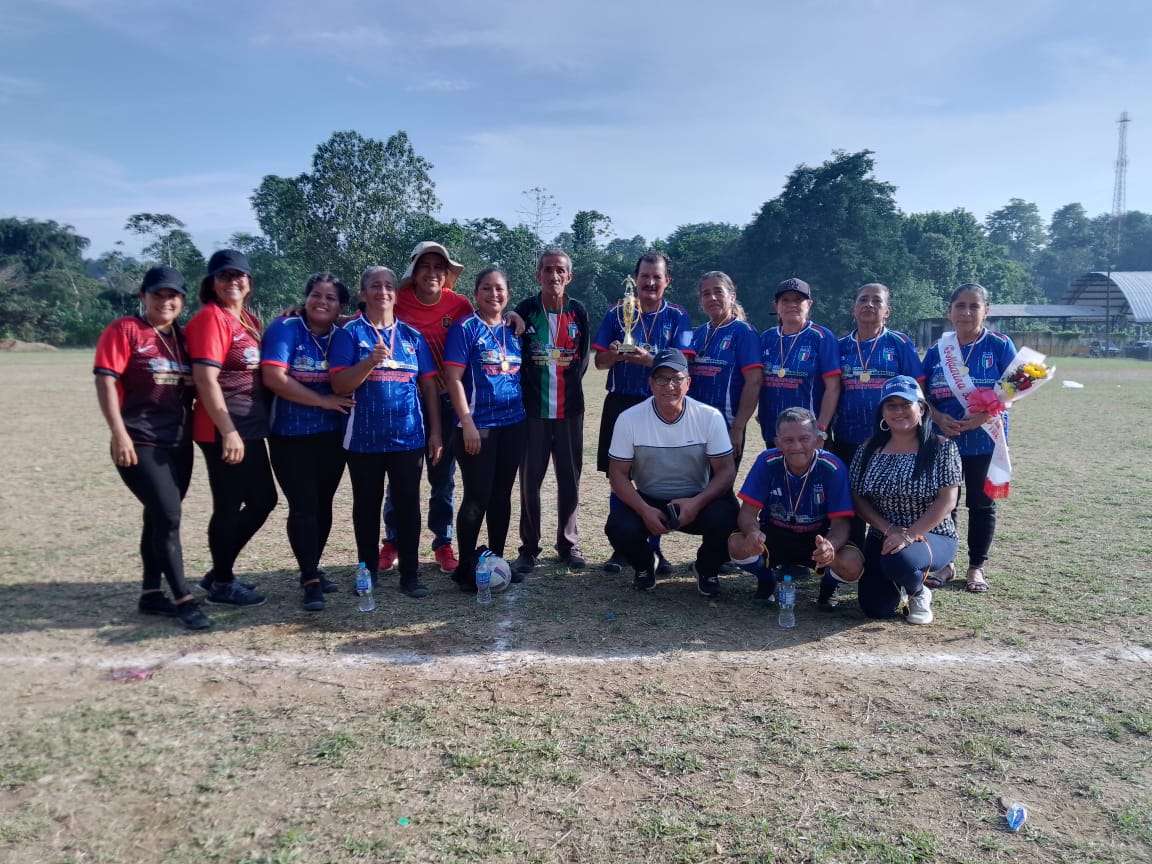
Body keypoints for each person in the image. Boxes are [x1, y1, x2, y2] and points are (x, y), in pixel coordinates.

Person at [93, 266, 209, 630]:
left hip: (178, 441)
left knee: (157, 516)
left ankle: (150, 594)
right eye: (157, 295)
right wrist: (119, 433)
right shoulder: (125, 330)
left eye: (172, 296)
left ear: (183, 301)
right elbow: (105, 381)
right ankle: (184, 599)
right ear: (143, 296)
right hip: (139, 439)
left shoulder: (184, 338)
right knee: (169, 517)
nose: (165, 302)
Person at [330, 266, 442, 598]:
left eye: (389, 286)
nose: (383, 291)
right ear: (363, 294)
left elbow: (429, 387)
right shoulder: (350, 334)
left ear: (396, 294)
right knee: (366, 505)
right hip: (363, 439)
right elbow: (339, 385)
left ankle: (410, 575)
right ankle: (367, 571)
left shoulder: (411, 336)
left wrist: (436, 432)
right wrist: (369, 362)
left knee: (408, 506)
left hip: (408, 438)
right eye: (375, 286)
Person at [604, 348, 738, 596]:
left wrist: (697, 503)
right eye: (661, 379)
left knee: (729, 519)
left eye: (676, 379)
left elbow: (726, 471)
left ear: (688, 383)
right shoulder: (629, 419)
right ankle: (645, 564)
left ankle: (706, 568)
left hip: (697, 498)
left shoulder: (709, 417)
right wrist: (644, 510)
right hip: (649, 498)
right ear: (651, 384)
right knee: (619, 527)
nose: (669, 386)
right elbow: (617, 475)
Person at [592, 252, 694, 574]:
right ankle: (621, 549)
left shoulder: (678, 316)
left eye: (656, 277)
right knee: (618, 476)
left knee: (656, 479)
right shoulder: (617, 312)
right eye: (645, 276)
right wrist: (615, 355)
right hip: (620, 403)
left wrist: (649, 360)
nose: (650, 282)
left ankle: (654, 548)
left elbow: (683, 361)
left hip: (659, 406)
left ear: (667, 281)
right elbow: (599, 362)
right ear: (635, 279)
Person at [186, 249, 277, 607]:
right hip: (223, 428)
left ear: (249, 281)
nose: (232, 282)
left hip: (248, 427)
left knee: (261, 500)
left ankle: (218, 571)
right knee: (230, 504)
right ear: (212, 283)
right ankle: (222, 582)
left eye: (239, 275)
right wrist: (227, 431)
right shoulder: (211, 318)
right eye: (224, 276)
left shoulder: (246, 319)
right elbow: (205, 379)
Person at [261, 273, 356, 611]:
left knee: (323, 503)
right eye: (316, 295)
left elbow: (377, 311)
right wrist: (323, 401)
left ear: (340, 307)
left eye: (331, 298)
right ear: (305, 298)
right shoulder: (285, 328)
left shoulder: (342, 335)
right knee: (303, 505)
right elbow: (274, 378)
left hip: (331, 435)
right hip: (290, 435)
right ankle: (310, 579)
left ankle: (311, 567)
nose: (322, 302)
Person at [378, 241, 474, 577]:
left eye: (439, 267)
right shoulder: (397, 300)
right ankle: (392, 541)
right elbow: (361, 317)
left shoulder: (459, 305)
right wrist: (301, 312)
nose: (432, 273)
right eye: (425, 266)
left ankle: (442, 542)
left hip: (445, 401)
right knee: (399, 475)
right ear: (414, 271)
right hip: (403, 399)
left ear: (446, 274)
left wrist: (513, 317)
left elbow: (483, 327)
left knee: (442, 476)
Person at [827, 282, 924, 598]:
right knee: (850, 506)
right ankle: (848, 569)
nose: (869, 305)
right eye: (863, 300)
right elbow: (829, 389)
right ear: (853, 308)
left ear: (887, 310)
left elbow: (917, 390)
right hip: (847, 439)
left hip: (891, 442)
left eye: (876, 301)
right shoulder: (839, 346)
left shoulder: (899, 343)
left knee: (891, 501)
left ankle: (898, 562)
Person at [922, 283, 1017, 593]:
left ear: (986, 311)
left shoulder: (1000, 345)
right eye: (960, 306)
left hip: (985, 439)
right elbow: (920, 391)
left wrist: (982, 417)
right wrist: (937, 416)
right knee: (943, 504)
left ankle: (976, 566)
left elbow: (1017, 386)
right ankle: (945, 563)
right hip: (944, 440)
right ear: (950, 311)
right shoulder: (938, 349)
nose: (966, 312)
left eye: (974, 306)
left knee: (981, 504)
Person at [850, 376, 962, 624]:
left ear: (921, 409)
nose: (898, 411)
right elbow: (857, 497)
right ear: (883, 412)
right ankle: (902, 581)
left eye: (906, 404)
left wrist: (909, 535)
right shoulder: (868, 449)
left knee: (898, 559)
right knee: (875, 609)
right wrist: (889, 529)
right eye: (891, 405)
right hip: (883, 535)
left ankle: (918, 592)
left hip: (933, 535)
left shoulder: (942, 447)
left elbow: (948, 500)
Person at [443, 267, 527, 592]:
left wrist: (516, 317)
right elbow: (453, 379)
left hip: (513, 424)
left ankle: (497, 561)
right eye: (487, 288)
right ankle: (465, 567)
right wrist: (467, 422)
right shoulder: (466, 328)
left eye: (499, 289)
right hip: (478, 427)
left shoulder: (514, 329)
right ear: (476, 293)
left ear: (508, 294)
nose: (494, 294)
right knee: (477, 496)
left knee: (502, 495)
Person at [729, 407, 863, 609]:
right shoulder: (767, 461)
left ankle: (829, 585)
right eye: (788, 440)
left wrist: (830, 546)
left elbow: (841, 524)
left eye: (804, 439)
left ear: (817, 440)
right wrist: (753, 533)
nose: (797, 446)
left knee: (852, 564)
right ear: (777, 443)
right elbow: (747, 513)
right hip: (774, 534)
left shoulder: (833, 467)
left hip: (817, 538)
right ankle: (766, 580)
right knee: (736, 544)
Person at [512, 248, 591, 576]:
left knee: (569, 479)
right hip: (533, 411)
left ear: (568, 276)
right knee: (530, 481)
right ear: (538, 275)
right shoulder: (526, 310)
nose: (553, 275)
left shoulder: (578, 311)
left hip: (570, 409)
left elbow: (583, 358)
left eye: (560, 270)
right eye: (547, 269)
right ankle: (529, 547)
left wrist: (566, 384)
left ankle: (568, 543)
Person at [687, 271, 762, 468]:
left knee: (719, 484)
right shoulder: (698, 333)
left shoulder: (744, 332)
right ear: (701, 301)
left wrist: (738, 427)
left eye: (718, 291)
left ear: (732, 296)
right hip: (693, 426)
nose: (712, 297)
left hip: (726, 427)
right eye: (706, 293)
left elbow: (754, 382)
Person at [757, 277, 840, 448]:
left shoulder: (822, 337)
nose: (792, 304)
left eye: (798, 300)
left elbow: (833, 388)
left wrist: (821, 429)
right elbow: (757, 381)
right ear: (776, 306)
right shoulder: (766, 338)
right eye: (785, 300)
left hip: (809, 434)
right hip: (775, 432)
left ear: (809, 304)